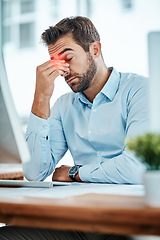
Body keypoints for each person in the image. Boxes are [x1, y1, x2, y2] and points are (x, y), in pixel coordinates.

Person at [0, 16, 149, 240]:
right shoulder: (63, 106)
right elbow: (34, 172)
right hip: (76, 220)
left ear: (95, 50)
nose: (63, 71)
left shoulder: (141, 91)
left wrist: (76, 173)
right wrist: (41, 97)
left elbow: (136, 167)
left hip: (127, 222)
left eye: (68, 58)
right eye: (55, 63)